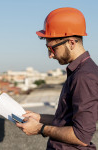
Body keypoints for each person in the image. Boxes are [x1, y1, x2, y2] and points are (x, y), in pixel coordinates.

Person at [16, 7, 98, 150]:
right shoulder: (79, 71)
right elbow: (66, 122)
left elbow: (81, 136)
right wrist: (40, 118)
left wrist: (40, 128)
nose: (50, 55)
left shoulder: (84, 77)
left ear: (71, 43)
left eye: (52, 49)